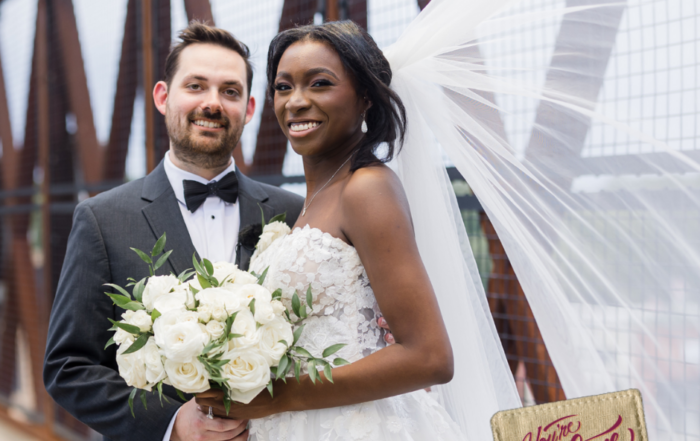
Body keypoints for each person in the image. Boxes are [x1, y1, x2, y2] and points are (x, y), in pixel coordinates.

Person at [195, 21, 468, 440]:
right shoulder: (314, 200)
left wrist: (280, 396)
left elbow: (430, 357)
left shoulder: (368, 189)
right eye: (283, 87)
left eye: (319, 84)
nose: (296, 102)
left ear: (364, 99)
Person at [43, 23, 305, 441]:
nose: (213, 103)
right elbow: (67, 368)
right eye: (196, 86)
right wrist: (171, 424)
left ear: (250, 108)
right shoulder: (101, 219)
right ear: (164, 97)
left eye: (230, 91)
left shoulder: (293, 213)